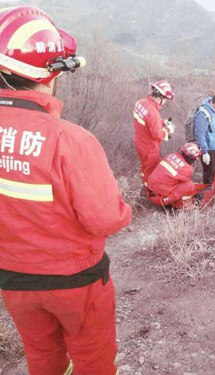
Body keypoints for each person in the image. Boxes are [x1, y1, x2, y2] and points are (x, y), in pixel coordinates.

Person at [0, 6, 132, 375]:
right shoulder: (70, 140)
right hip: (75, 283)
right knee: (93, 361)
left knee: (42, 357)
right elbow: (106, 218)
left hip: (12, 281)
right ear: (51, 72)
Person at [133, 79, 175, 186]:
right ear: (160, 97)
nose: (165, 102)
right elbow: (158, 135)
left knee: (144, 166)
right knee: (150, 171)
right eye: (165, 99)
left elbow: (148, 121)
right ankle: (148, 190)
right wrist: (168, 130)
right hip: (150, 147)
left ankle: (143, 184)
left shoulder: (140, 103)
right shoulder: (153, 112)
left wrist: (162, 122)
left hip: (139, 142)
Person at [146, 142, 203, 208]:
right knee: (189, 185)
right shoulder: (187, 169)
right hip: (159, 199)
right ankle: (178, 204)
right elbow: (184, 185)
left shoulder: (171, 155)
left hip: (149, 190)